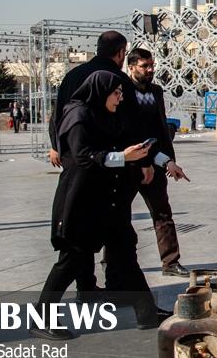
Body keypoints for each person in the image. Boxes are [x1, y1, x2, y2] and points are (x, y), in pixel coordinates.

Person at [35, 71, 165, 340]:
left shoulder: (105, 116)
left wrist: (143, 156)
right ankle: (42, 317)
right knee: (72, 260)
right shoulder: (78, 116)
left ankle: (146, 312)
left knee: (125, 255)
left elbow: (119, 144)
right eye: (116, 93)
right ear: (100, 92)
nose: (120, 98)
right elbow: (82, 157)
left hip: (109, 201)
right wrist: (123, 156)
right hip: (82, 202)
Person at [122, 48, 191, 277]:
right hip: (130, 164)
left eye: (151, 65)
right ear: (131, 67)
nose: (150, 70)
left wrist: (168, 160)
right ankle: (112, 263)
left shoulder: (156, 92)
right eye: (144, 66)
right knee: (119, 216)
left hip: (156, 162)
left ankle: (170, 262)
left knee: (162, 213)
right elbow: (127, 131)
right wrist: (143, 161)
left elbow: (160, 129)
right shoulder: (122, 90)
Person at [48, 31, 130, 169]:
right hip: (109, 159)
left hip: (73, 156)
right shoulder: (119, 79)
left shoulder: (72, 76)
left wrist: (56, 145)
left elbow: (58, 113)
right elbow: (130, 120)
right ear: (121, 53)